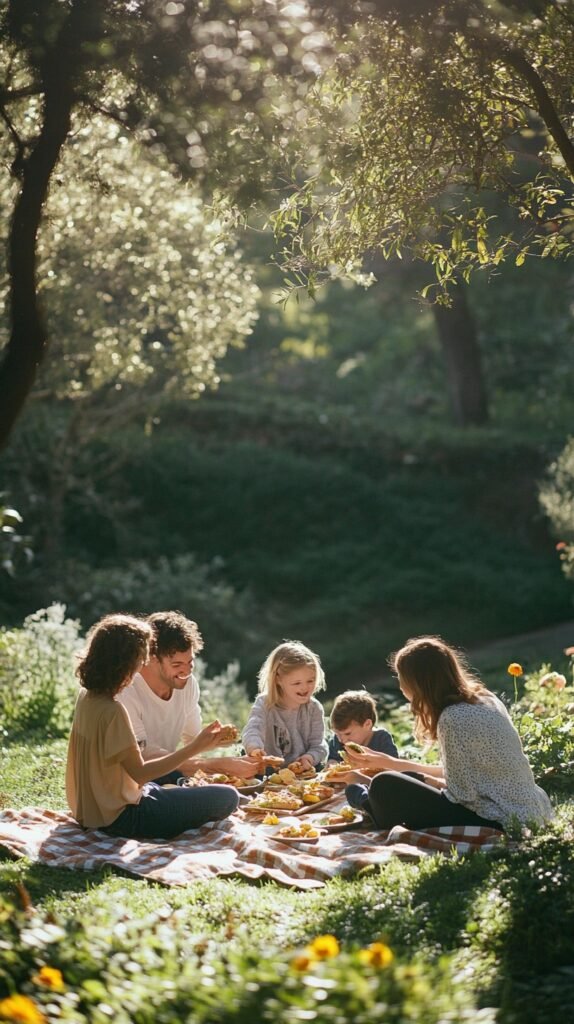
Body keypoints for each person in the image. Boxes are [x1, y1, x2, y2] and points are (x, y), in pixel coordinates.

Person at [343, 635, 553, 832]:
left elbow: (461, 796)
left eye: (401, 678)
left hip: (499, 818)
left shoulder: (452, 718)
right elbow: (464, 773)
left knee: (383, 785)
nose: (399, 685)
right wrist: (390, 763)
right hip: (531, 809)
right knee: (399, 778)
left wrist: (423, 780)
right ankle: (372, 796)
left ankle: (362, 798)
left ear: (418, 683)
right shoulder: (485, 698)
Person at [66, 613, 240, 839]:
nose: (140, 667)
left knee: (176, 786)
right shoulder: (114, 711)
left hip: (90, 809)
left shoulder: (87, 698)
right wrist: (196, 748)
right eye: (139, 661)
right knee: (228, 797)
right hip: (123, 817)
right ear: (124, 664)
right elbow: (140, 773)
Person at [118, 610, 258, 783]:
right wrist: (216, 765)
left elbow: (191, 740)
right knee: (223, 797)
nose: (186, 671)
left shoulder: (188, 684)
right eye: (177, 664)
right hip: (132, 784)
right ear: (151, 658)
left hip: (167, 775)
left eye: (190, 662)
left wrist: (214, 739)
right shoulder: (127, 690)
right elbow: (145, 756)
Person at [242, 640, 329, 769]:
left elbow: (319, 745)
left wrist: (309, 758)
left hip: (303, 772)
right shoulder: (264, 704)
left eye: (310, 680)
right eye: (297, 683)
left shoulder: (314, 708)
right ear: (278, 679)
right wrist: (255, 749)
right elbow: (253, 729)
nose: (305, 687)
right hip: (268, 771)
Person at [327, 689, 398, 762]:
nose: (342, 740)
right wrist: (332, 764)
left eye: (348, 733)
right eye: (337, 733)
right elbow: (332, 760)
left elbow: (393, 764)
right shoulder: (337, 740)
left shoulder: (382, 739)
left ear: (367, 725)